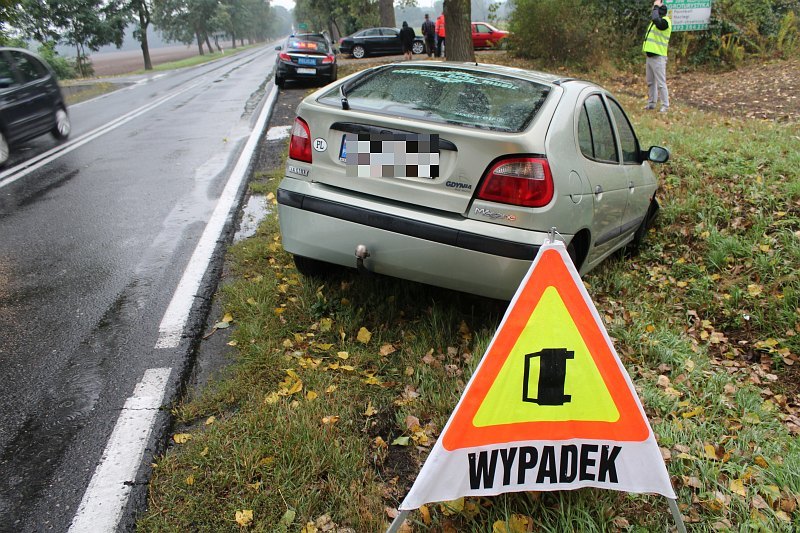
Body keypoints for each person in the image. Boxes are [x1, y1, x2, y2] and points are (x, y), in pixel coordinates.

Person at [642, 0, 672, 113]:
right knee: (650, 82)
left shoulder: (665, 22)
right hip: (650, 56)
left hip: (659, 57)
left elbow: (655, 18)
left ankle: (665, 105)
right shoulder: (656, 22)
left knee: (660, 83)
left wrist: (655, 6)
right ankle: (651, 103)